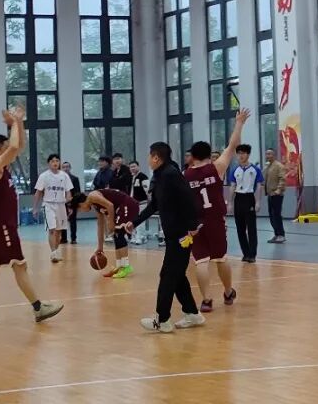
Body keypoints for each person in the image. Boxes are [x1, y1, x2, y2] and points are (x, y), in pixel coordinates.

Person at [0, 107, 63, 326]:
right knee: (19, 265)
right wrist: (14, 123)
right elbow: (14, 147)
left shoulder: (3, 169)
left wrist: (19, 123)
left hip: (0, 225)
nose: (10, 153)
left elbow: (18, 146)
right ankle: (38, 308)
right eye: (4, 149)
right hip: (2, 226)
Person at [124, 141, 203, 333]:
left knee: (168, 275)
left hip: (181, 235)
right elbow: (154, 205)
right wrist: (135, 222)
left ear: (156, 157)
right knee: (177, 275)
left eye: (150, 156)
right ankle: (192, 313)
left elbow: (189, 199)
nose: (148, 160)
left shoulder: (171, 174)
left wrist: (192, 226)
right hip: (172, 234)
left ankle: (162, 319)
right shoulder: (159, 176)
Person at [187, 111, 247, 312]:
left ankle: (206, 300)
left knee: (201, 262)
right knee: (220, 258)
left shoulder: (185, 175)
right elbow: (232, 145)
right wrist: (239, 123)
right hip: (215, 219)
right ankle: (228, 292)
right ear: (208, 154)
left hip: (196, 222)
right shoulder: (217, 167)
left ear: (192, 157)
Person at [73, 188, 137, 278]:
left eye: (79, 210)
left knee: (119, 233)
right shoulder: (95, 205)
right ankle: (119, 266)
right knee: (116, 235)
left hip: (129, 205)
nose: (81, 211)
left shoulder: (92, 196)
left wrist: (110, 222)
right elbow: (100, 225)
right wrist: (100, 247)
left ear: (80, 204)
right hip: (121, 207)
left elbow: (110, 205)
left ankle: (126, 266)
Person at [32, 154, 74, 264]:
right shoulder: (44, 176)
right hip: (48, 205)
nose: (55, 163)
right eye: (52, 161)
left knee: (59, 231)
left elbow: (68, 192)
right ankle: (53, 253)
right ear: (49, 163)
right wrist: (35, 208)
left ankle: (55, 251)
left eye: (57, 161)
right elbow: (38, 193)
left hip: (61, 205)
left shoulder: (64, 176)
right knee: (52, 229)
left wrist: (69, 204)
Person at [229, 144, 264, 263]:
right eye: (239, 153)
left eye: (243, 153)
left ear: (248, 154)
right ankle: (245, 253)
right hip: (238, 198)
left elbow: (259, 186)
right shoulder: (235, 170)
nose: (241, 156)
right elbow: (232, 186)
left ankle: (252, 254)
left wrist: (257, 202)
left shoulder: (255, 170)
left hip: (249, 198)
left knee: (251, 228)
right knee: (240, 228)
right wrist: (230, 203)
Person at [264, 148, 288, 244]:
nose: (268, 156)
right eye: (267, 154)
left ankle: (281, 235)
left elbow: (282, 179)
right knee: (272, 215)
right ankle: (276, 234)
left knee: (277, 215)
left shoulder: (279, 166)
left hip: (277, 194)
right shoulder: (268, 166)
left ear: (274, 155)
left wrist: (278, 190)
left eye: (270, 154)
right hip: (270, 194)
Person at [60, 161, 82, 245]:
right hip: (62, 203)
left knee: (72, 221)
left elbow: (77, 192)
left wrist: (71, 201)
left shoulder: (75, 179)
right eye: (64, 167)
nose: (66, 168)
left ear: (70, 168)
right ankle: (63, 238)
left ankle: (73, 238)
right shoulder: (59, 179)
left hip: (72, 203)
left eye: (67, 167)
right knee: (62, 220)